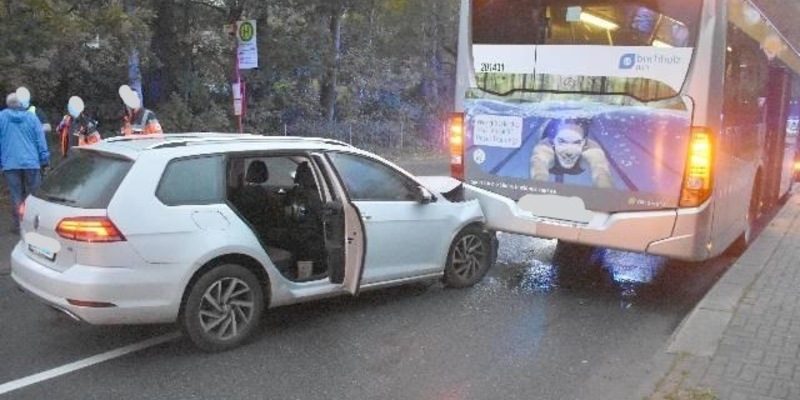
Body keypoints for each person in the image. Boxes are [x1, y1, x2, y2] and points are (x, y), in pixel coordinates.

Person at [0, 93, 50, 234]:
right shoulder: (31, 117)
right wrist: (45, 160)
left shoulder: (1, 118)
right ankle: (38, 225)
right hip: (31, 163)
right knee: (35, 194)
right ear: (21, 104)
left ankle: (18, 225)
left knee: (16, 194)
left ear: (8, 104)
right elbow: (40, 140)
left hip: (10, 163)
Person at [529, 119, 613, 188]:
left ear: (584, 143)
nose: (569, 152)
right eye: (562, 141)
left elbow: (601, 173)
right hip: (551, 153)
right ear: (553, 141)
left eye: (576, 142)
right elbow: (539, 173)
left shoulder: (591, 149)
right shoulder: (544, 148)